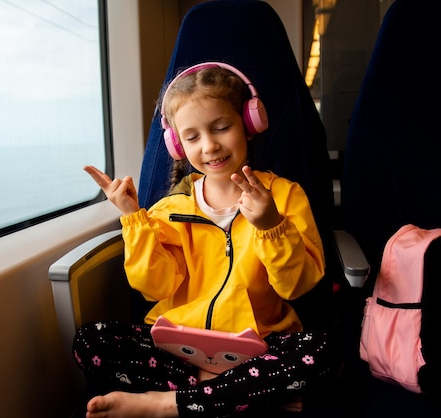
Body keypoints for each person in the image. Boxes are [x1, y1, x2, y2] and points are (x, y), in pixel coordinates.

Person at [73, 62, 339, 418]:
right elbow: (154, 287)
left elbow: (296, 286)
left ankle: (166, 403)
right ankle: (240, 391)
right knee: (91, 340)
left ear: (248, 124)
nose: (210, 146)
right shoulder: (170, 208)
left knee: (323, 351)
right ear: (177, 145)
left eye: (222, 127)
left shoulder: (285, 196)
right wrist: (133, 217)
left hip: (258, 345)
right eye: (193, 137)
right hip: (179, 343)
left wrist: (270, 225)